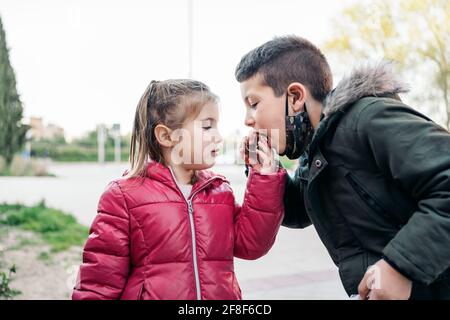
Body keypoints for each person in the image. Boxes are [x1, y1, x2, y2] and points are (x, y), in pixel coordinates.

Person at [235, 35, 450, 299]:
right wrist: (266, 173)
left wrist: (400, 267)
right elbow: (299, 210)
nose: (247, 119)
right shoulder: (317, 150)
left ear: (295, 96)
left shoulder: (367, 118)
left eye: (254, 104)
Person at [72, 79, 286, 300]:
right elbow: (99, 282)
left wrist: (264, 177)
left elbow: (251, 245)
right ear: (166, 136)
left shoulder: (219, 191)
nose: (219, 136)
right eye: (207, 126)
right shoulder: (123, 196)